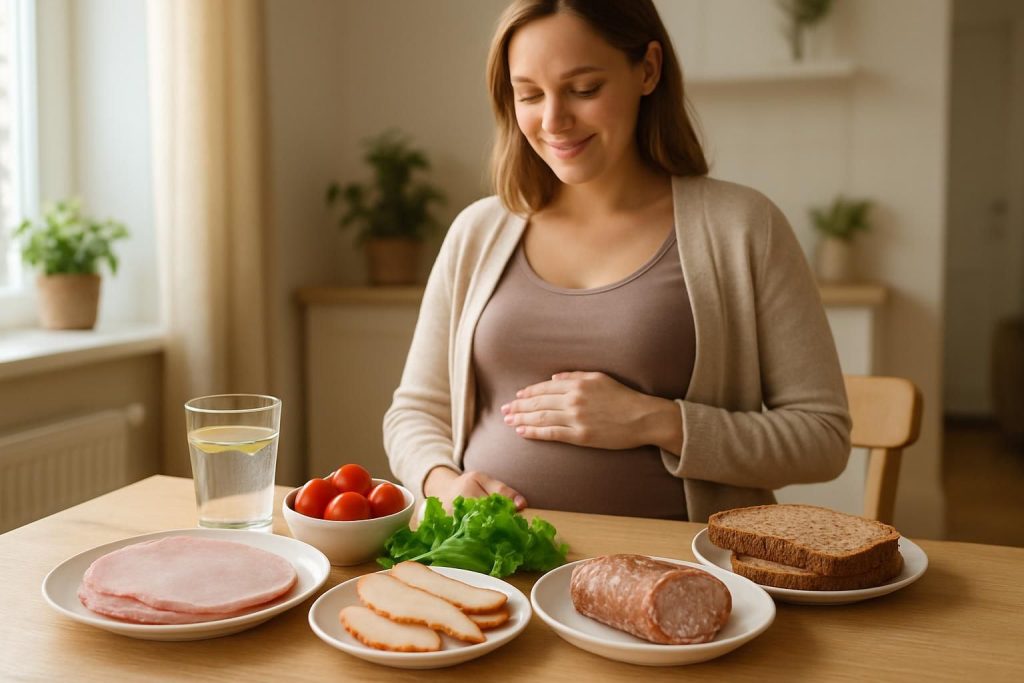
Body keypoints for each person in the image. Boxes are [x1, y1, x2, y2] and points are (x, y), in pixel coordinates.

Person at [383, 0, 851, 522]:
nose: (554, 120)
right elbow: (415, 413)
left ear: (648, 70)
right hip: (495, 573)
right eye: (530, 95)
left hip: (682, 575)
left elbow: (822, 437)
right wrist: (441, 483)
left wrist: (656, 421)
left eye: (584, 89)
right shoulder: (477, 231)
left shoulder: (743, 227)